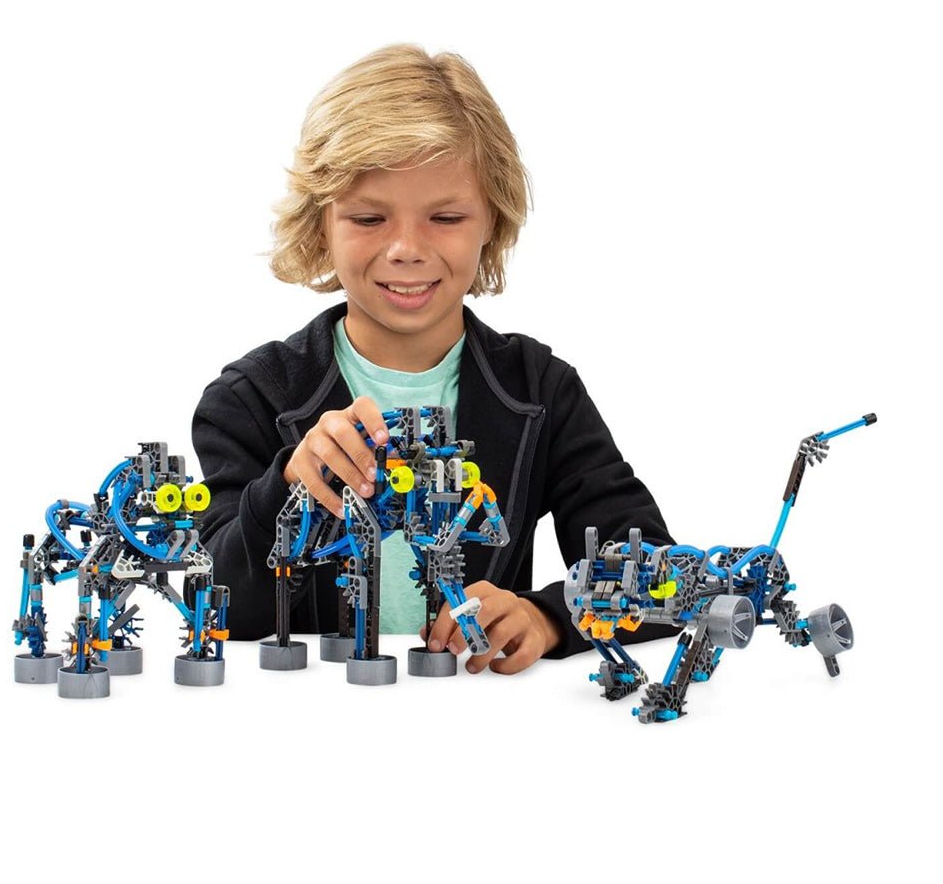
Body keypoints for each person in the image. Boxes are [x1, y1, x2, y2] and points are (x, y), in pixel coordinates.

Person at [192, 43, 674, 674]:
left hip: (478, 706)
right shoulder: (250, 399)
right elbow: (215, 604)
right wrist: (285, 487)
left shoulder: (541, 390)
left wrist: (548, 616)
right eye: (369, 217)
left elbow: (659, 576)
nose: (407, 249)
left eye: (445, 217)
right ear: (320, 225)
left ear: (491, 222)